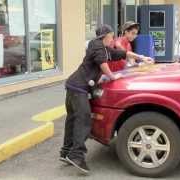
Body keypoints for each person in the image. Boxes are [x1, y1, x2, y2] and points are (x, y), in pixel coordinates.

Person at [59, 24, 153, 175]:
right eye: (111, 36)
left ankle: (66, 152)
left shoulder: (104, 48)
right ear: (105, 36)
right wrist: (112, 76)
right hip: (78, 88)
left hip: (73, 86)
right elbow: (103, 65)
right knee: (83, 120)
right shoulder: (97, 45)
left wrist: (141, 57)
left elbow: (122, 53)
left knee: (72, 119)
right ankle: (76, 156)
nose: (113, 39)